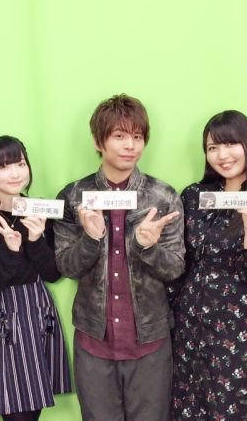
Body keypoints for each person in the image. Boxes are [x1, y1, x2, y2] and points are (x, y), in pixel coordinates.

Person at [53, 94, 184, 420]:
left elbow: (175, 268)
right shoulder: (75, 196)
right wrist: (91, 238)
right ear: (99, 142)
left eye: (137, 137)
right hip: (93, 340)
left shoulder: (163, 196)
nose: (130, 146)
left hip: (149, 341)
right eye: (120, 136)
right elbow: (66, 266)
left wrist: (147, 247)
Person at [168, 110, 247, 420]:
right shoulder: (195, 196)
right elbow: (181, 263)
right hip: (191, 330)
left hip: (241, 333)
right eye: (213, 147)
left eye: (230, 144)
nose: (222, 155)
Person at [0, 136, 71, 421]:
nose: (15, 173)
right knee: (16, 412)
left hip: (39, 314)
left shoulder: (40, 210)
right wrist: (10, 252)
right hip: (3, 321)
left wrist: (35, 240)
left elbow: (53, 274)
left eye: (20, 164)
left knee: (34, 410)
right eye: (3, 166)